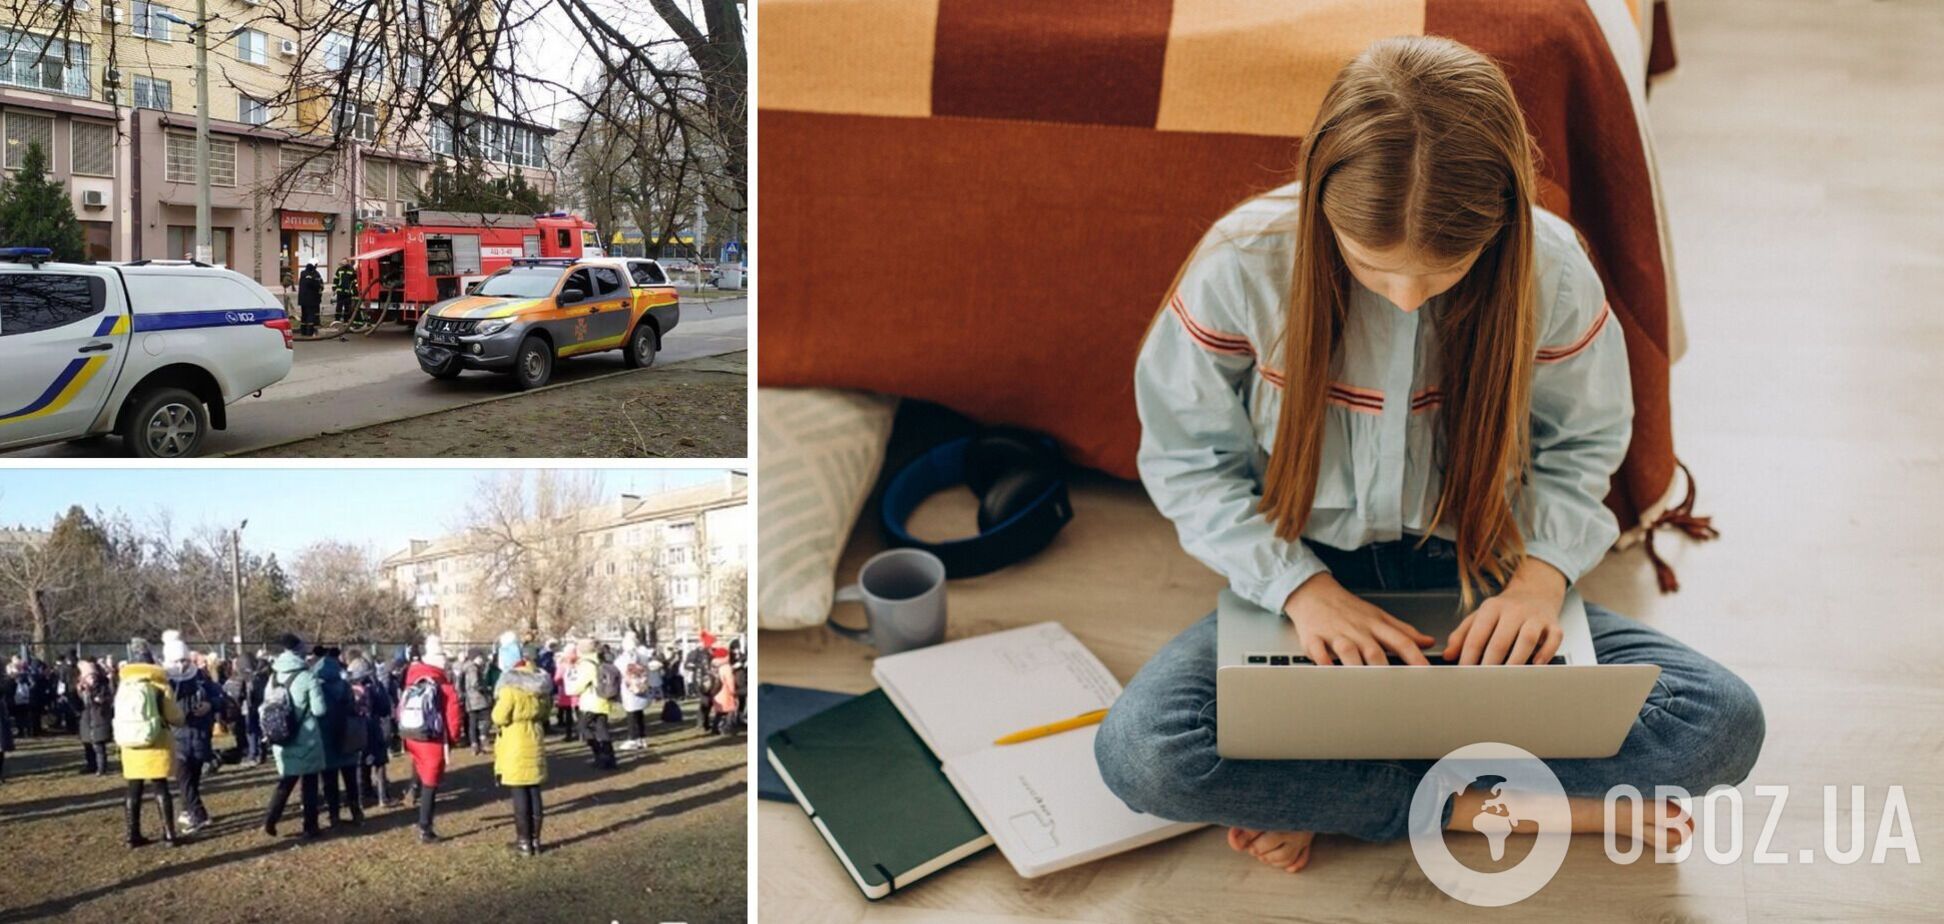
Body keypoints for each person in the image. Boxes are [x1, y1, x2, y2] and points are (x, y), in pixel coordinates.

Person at [1093, 36, 1766, 875]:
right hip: (1302, 577)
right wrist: (1304, 591)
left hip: (1479, 570)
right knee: (1144, 753)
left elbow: (1584, 445)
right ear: (1322, 210)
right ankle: (1501, 807)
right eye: (1374, 268)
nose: (1407, 300)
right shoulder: (1243, 263)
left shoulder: (1550, 270)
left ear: (1499, 225)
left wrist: (1539, 581)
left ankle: (1325, 793)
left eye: (1442, 273)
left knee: (1720, 723)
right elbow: (1187, 461)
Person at [117, 637, 186, 847]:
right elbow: (174, 715)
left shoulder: (125, 683)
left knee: (133, 788)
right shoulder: (159, 683)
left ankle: (132, 835)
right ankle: (169, 835)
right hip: (156, 740)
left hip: (130, 742)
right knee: (160, 786)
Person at [263, 634, 328, 841]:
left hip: (281, 737)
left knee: (286, 781)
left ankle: (270, 818)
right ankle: (310, 826)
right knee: (309, 784)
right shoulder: (307, 676)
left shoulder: (273, 676)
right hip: (306, 737)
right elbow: (319, 710)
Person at [492, 643, 554, 856]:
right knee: (534, 790)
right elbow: (546, 713)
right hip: (534, 736)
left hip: (515, 740)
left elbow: (499, 716)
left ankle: (524, 842)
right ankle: (536, 841)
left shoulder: (510, 687)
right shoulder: (541, 684)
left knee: (519, 791)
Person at [400, 635, 463, 843]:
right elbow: (453, 715)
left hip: (411, 734)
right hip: (432, 739)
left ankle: (414, 799)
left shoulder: (413, 676)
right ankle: (425, 828)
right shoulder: (442, 683)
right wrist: (453, 740)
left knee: (422, 773)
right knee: (431, 784)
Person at [162, 631, 225, 834]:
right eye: (177, 660)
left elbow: (220, 696)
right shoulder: (163, 680)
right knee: (185, 779)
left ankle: (187, 810)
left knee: (193, 780)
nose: (182, 665)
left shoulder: (199, 677)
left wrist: (210, 705)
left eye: (184, 660)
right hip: (176, 737)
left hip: (199, 736)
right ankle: (198, 814)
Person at [314, 646, 365, 828]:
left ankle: (334, 815)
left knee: (329, 781)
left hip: (326, 738)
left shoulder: (317, 687)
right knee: (351, 779)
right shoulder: (345, 686)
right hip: (346, 734)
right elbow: (353, 707)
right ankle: (356, 812)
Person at [345, 653, 399, 809]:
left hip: (354, 728)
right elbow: (384, 708)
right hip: (372, 726)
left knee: (360, 763)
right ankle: (383, 797)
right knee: (379, 761)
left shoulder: (347, 688)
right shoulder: (373, 687)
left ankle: (361, 798)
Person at [567, 638, 618, 770]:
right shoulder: (600, 660)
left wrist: (571, 690)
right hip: (603, 699)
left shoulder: (586, 664)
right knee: (602, 729)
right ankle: (609, 759)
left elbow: (580, 685)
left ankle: (599, 754)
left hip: (591, 701)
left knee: (582, 727)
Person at [617, 631, 653, 751]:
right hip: (641, 687)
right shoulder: (642, 655)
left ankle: (632, 738)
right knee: (639, 713)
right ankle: (642, 738)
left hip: (629, 687)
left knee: (631, 713)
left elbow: (618, 668)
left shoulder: (625, 657)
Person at [459, 651, 492, 755]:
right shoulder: (473, 668)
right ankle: (483, 736)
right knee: (488, 718)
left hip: (469, 700)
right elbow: (475, 683)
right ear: (475, 658)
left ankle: (475, 745)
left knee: (472, 724)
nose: (481, 660)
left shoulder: (464, 668)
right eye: (480, 657)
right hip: (478, 699)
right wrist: (485, 689)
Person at [552, 641, 579, 742]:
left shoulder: (562, 664)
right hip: (578, 690)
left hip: (565, 692)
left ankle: (569, 734)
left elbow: (557, 679)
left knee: (568, 714)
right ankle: (582, 733)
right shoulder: (579, 663)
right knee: (579, 712)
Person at [709, 646, 739, 736]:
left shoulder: (713, 665)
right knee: (731, 710)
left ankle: (714, 728)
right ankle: (727, 728)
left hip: (716, 692)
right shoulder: (726, 667)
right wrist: (733, 692)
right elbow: (730, 681)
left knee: (719, 712)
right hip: (725, 692)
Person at [297, 262, 324, 336]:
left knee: (304, 315)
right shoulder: (313, 276)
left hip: (302, 300)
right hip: (311, 300)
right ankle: (309, 332)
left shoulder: (302, 274)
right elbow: (317, 286)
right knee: (310, 316)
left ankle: (303, 331)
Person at [332, 257, 358, 323]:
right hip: (340, 292)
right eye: (342, 262)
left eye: (344, 262)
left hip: (348, 292)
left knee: (347, 307)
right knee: (339, 306)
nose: (343, 263)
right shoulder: (339, 270)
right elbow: (336, 279)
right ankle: (337, 320)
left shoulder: (351, 270)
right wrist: (334, 289)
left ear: (347, 262)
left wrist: (354, 290)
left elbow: (354, 281)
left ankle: (346, 320)